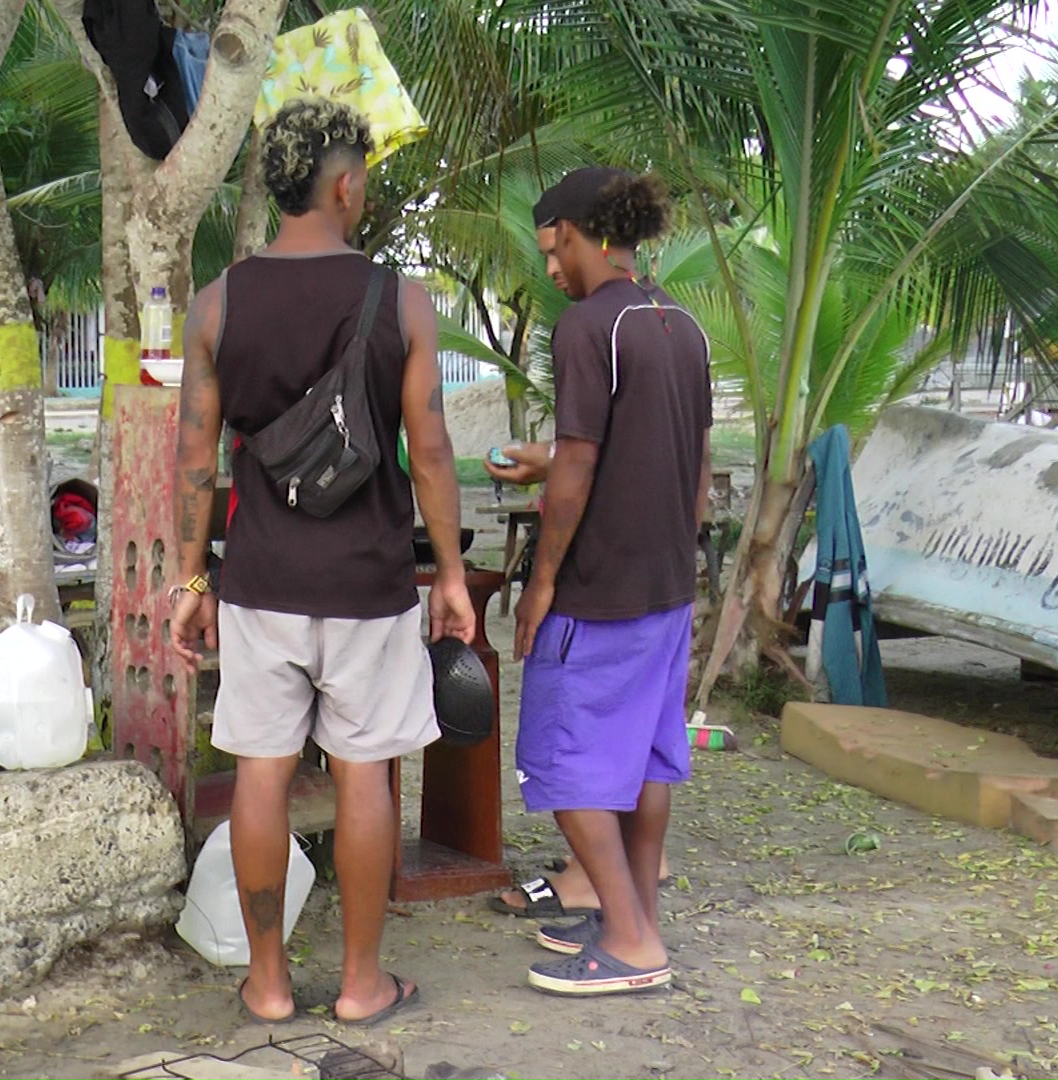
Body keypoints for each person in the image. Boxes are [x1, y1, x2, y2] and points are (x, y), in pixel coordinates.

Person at [168, 98, 474, 1027]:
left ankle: (266, 984)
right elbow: (429, 452)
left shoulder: (216, 305)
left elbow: (192, 455)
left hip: (261, 584)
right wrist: (453, 574)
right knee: (364, 773)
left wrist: (191, 580)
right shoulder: (401, 302)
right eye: (365, 179)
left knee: (261, 772)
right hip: (368, 584)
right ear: (344, 184)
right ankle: (360, 983)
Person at [484, 166, 712, 996]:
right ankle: (635, 915)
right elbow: (687, 461)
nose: (552, 268)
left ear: (586, 236)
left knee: (566, 762)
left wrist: (541, 584)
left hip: (599, 590)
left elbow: (580, 463)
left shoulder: (586, 328)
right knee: (648, 763)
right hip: (665, 587)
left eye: (556, 248)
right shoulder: (681, 325)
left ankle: (629, 940)